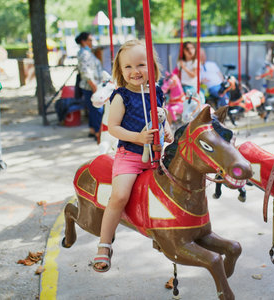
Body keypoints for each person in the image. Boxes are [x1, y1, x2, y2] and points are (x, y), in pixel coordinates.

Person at [93, 39, 173, 272]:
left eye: (140, 65)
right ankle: (104, 244)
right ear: (120, 70)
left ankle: (165, 232)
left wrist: (167, 128)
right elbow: (113, 128)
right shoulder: (122, 96)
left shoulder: (157, 92)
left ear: (151, 67)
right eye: (127, 67)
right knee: (119, 196)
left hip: (156, 156)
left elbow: (162, 119)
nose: (135, 71)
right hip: (130, 155)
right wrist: (137, 138)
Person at [75, 32, 104, 140]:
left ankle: (93, 130)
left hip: (92, 85)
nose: (92, 42)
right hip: (91, 86)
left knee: (93, 109)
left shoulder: (87, 52)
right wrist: (94, 86)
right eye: (90, 40)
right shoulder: (84, 54)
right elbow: (86, 71)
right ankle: (98, 133)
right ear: (83, 41)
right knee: (97, 109)